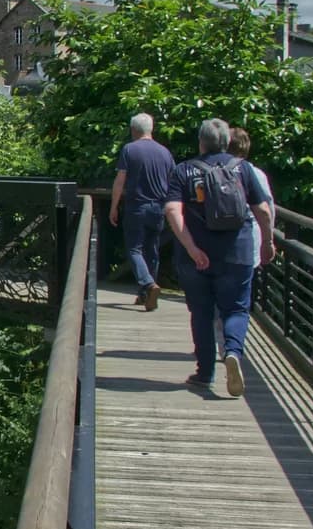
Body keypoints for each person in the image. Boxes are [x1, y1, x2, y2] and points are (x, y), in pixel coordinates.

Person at [165, 118, 275, 396]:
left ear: (201, 142)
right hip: (237, 252)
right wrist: (268, 242)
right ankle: (233, 352)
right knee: (236, 308)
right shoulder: (244, 169)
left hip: (196, 256)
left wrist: (191, 248)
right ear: (226, 142)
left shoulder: (184, 170)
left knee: (201, 312)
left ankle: (204, 374)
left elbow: (172, 212)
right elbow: (262, 209)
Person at [110, 113, 175, 312]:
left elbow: (120, 180)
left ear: (133, 130)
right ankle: (145, 295)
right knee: (151, 249)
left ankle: (148, 284)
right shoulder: (165, 152)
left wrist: (114, 206)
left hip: (137, 206)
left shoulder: (130, 149)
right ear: (151, 129)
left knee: (134, 249)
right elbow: (173, 183)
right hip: (159, 208)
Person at [229, 127, 274, 269]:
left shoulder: (212, 170)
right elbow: (266, 210)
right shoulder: (256, 173)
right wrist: (268, 241)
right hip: (249, 242)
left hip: (218, 243)